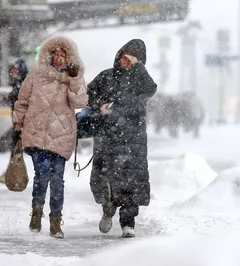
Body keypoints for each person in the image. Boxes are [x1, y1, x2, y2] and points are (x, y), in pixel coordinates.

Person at [13, 36, 88, 239]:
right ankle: (37, 213)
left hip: (62, 135)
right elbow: (22, 101)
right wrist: (18, 123)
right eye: (56, 54)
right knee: (42, 174)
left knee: (57, 180)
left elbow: (79, 102)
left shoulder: (75, 76)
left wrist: (74, 79)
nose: (59, 58)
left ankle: (55, 221)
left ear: (69, 57)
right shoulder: (36, 74)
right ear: (50, 55)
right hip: (36, 132)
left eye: (64, 54)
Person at [87, 39, 157, 238]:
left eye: (131, 59)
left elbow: (151, 88)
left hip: (133, 140)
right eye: (124, 57)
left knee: (132, 182)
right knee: (106, 179)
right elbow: (89, 95)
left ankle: (128, 223)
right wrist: (100, 106)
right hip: (107, 137)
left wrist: (138, 67)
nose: (125, 62)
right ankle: (107, 210)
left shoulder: (140, 81)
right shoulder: (106, 76)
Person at [0, 59, 28, 184]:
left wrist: (11, 96)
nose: (13, 72)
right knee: (15, 149)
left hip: (21, 123)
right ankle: (13, 173)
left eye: (15, 70)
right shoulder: (18, 83)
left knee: (17, 149)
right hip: (17, 122)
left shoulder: (22, 84)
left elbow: (21, 101)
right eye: (12, 70)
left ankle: (14, 175)